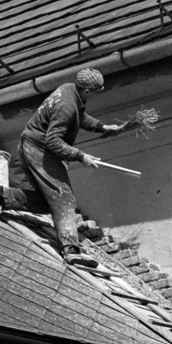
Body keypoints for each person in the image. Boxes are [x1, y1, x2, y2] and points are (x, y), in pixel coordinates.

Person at [17, 68, 126, 263]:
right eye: (96, 91)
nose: (97, 94)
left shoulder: (70, 90)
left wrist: (101, 126)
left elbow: (79, 117)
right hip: (39, 150)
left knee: (47, 201)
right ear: (86, 89)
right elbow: (53, 140)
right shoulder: (66, 105)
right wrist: (81, 156)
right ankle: (70, 249)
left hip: (30, 145)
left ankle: (0, 196)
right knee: (64, 199)